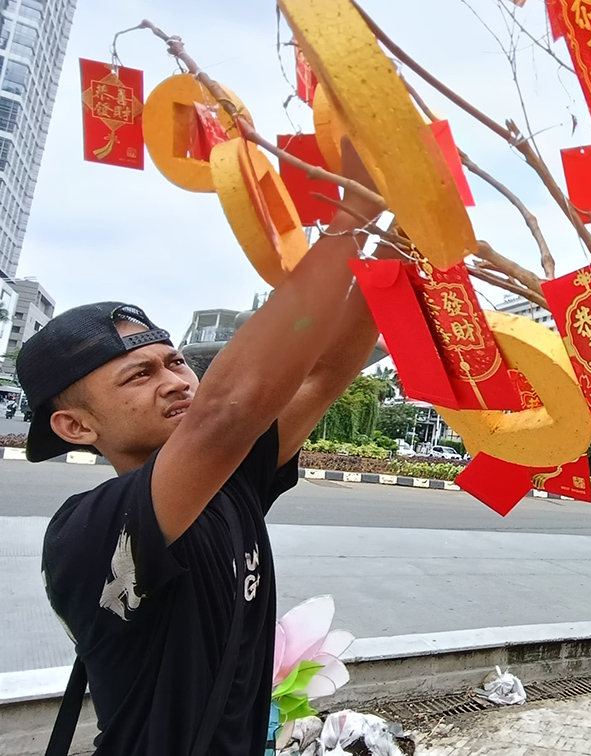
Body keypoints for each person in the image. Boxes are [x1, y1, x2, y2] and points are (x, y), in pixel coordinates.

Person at [22, 148, 383, 756]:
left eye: (176, 361)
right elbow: (226, 410)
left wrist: (402, 242)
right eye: (139, 376)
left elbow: (322, 377)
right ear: (75, 426)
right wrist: (347, 222)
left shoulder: (234, 477)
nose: (176, 381)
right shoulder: (84, 532)